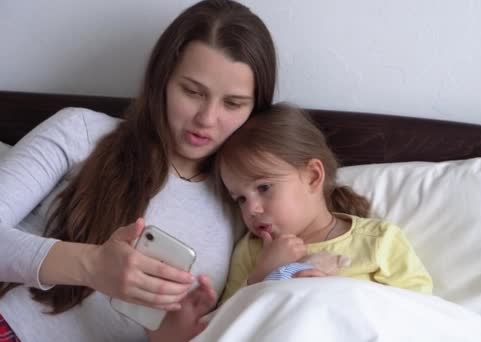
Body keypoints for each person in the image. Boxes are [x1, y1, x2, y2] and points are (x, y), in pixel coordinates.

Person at [0, 0, 276, 341]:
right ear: (162, 80)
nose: (206, 119)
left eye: (232, 103)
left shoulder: (244, 207)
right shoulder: (81, 131)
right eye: (192, 91)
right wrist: (93, 265)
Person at [216, 103, 433, 303]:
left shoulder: (378, 241)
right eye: (240, 199)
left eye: (264, 188)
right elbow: (230, 323)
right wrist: (262, 275)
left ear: (312, 176)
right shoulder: (252, 251)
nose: (252, 209)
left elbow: (419, 311)